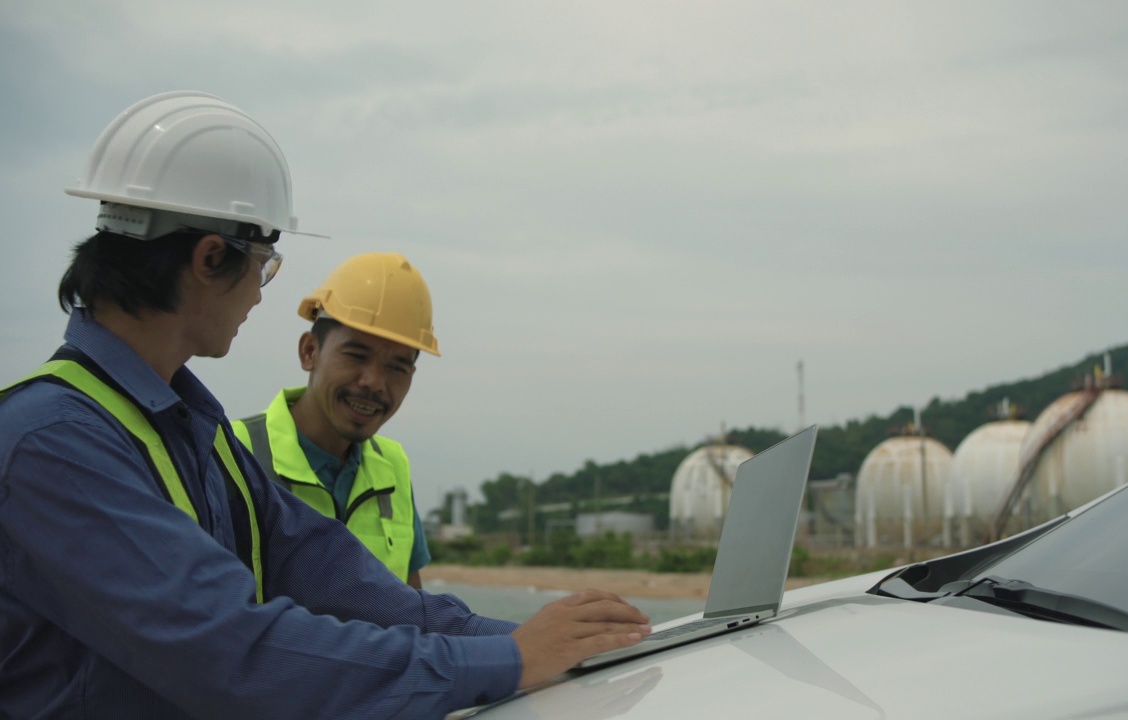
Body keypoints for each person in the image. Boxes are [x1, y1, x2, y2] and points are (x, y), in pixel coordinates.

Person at [0, 91, 649, 719]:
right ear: (209, 257)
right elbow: (235, 652)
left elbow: (332, 577)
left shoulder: (198, 432)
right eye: (266, 263)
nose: (260, 292)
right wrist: (505, 663)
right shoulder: (50, 442)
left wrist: (537, 641)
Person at [233, 252, 438, 588]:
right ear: (309, 351)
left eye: (397, 367)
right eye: (356, 355)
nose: (374, 382)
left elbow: (416, 615)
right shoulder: (233, 452)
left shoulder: (392, 467)